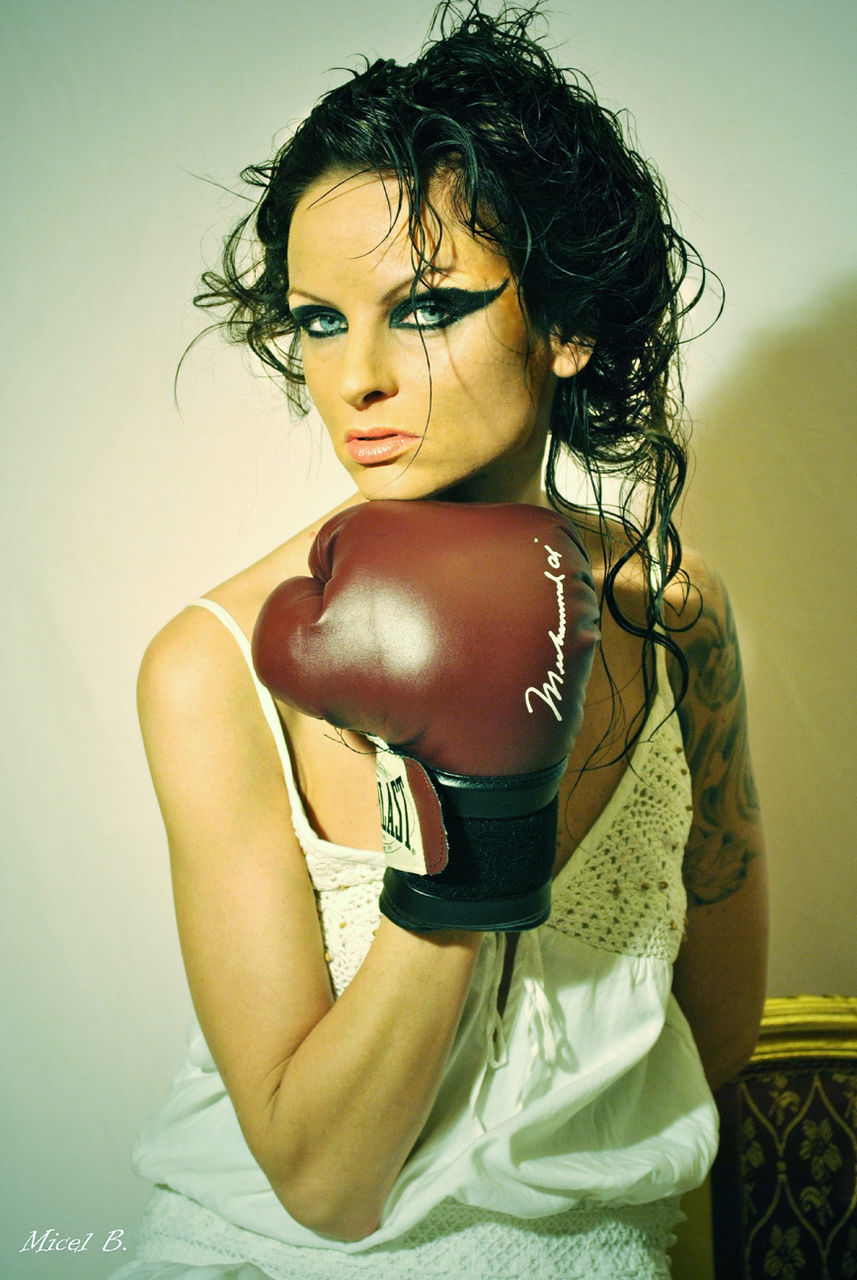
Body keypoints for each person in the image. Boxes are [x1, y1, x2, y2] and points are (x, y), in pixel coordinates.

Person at [110, 3, 768, 1277]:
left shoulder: (675, 611)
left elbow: (719, 1032)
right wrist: (475, 837)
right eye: (315, 318)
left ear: (567, 322)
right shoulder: (210, 665)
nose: (350, 377)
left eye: (422, 308)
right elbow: (323, 1182)